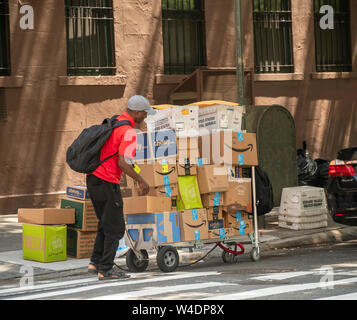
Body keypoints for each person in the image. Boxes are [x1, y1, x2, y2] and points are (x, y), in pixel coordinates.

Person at [86, 95, 154, 280]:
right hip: (107, 181)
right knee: (115, 228)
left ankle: (95, 262)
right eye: (145, 114)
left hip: (93, 179)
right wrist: (141, 180)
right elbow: (122, 162)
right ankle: (106, 269)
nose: (145, 118)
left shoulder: (115, 121)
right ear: (138, 113)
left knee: (105, 223)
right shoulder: (129, 131)